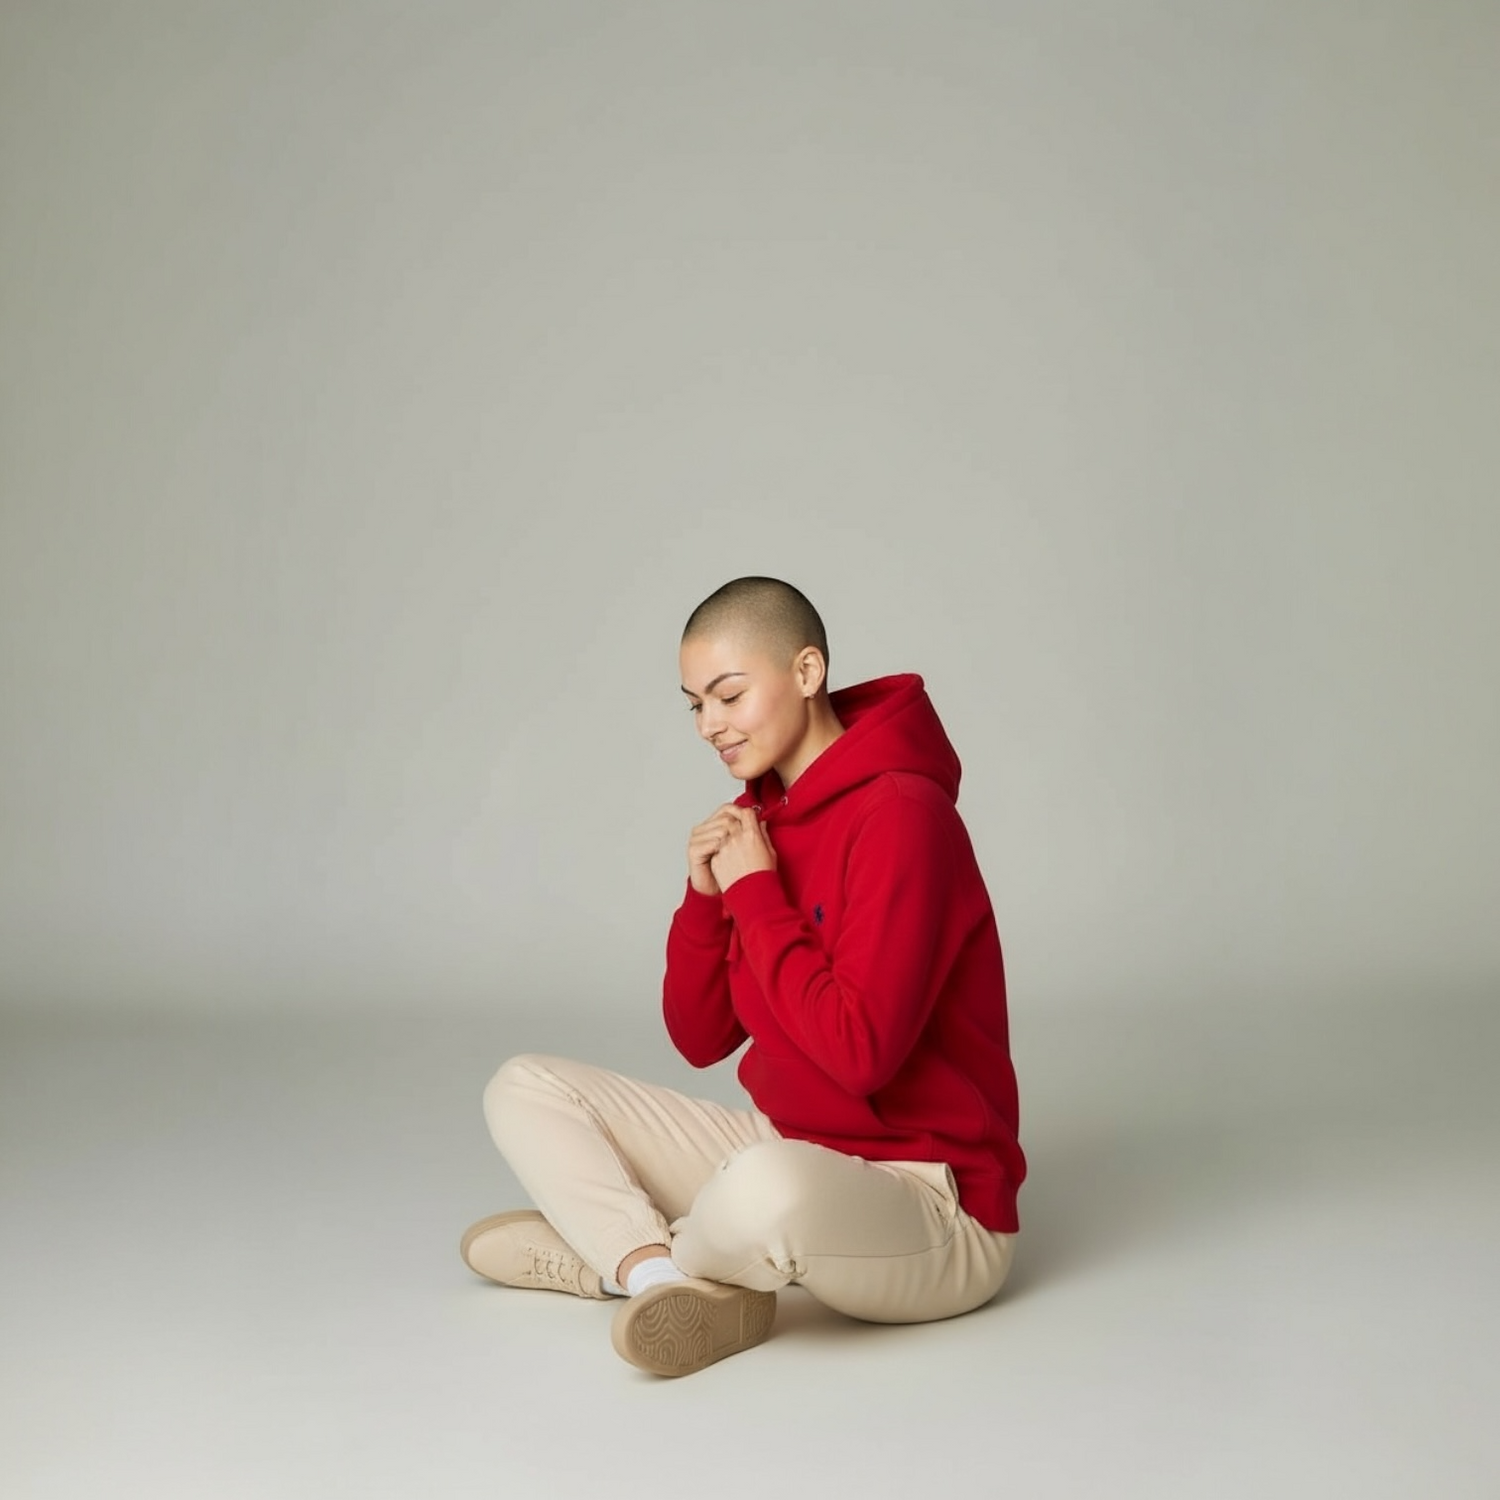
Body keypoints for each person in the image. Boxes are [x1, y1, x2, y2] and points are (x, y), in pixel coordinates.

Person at [460, 576, 1024, 1377]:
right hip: (791, 1144)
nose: (709, 725)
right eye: (695, 705)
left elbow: (862, 1056)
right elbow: (700, 1040)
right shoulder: (759, 824)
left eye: (729, 695)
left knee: (763, 1188)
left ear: (806, 672)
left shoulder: (903, 815)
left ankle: (613, 1256)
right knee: (525, 1087)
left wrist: (756, 893)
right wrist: (705, 900)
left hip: (933, 1203)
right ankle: (653, 1278)